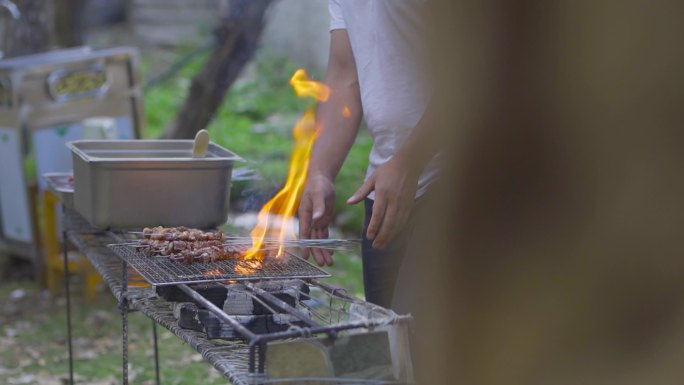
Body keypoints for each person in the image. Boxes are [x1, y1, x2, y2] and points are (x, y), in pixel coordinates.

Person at [298, 0, 439, 309]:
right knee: (389, 341)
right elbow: (344, 73)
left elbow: (476, 70)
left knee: (428, 344)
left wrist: (409, 163)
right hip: (386, 185)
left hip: (461, 180)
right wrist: (320, 172)